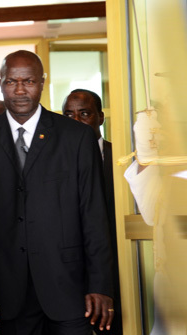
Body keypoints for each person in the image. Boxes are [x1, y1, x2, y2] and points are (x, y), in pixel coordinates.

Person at [0, 50, 115, 334]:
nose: (20, 90)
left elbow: (94, 215)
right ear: (1, 83)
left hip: (70, 289)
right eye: (11, 82)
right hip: (5, 295)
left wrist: (100, 285)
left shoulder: (76, 137)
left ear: (43, 82)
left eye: (29, 81)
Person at [62, 89, 122, 335]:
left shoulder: (121, 159)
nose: (75, 122)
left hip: (119, 271)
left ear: (101, 117)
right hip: (70, 278)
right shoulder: (53, 165)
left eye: (84, 114)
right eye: (69, 115)